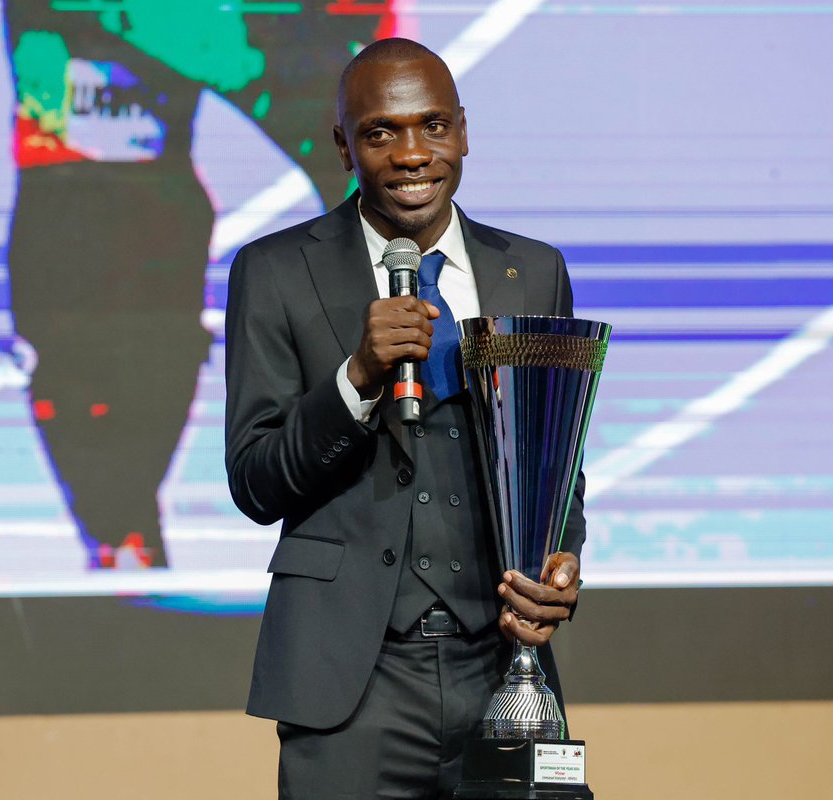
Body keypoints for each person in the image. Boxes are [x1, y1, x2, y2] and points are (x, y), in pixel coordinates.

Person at [0, 0, 393, 568]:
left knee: (161, 358)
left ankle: (124, 528)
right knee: (72, 369)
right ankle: (117, 529)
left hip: (153, 201)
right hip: (64, 200)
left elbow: (280, 88)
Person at [224, 38, 586, 798]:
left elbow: (556, 460)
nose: (413, 154)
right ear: (343, 146)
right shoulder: (276, 271)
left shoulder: (533, 271)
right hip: (352, 682)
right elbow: (255, 481)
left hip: (502, 666)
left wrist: (562, 562)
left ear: (463, 131)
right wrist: (357, 377)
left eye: (433, 126)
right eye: (381, 133)